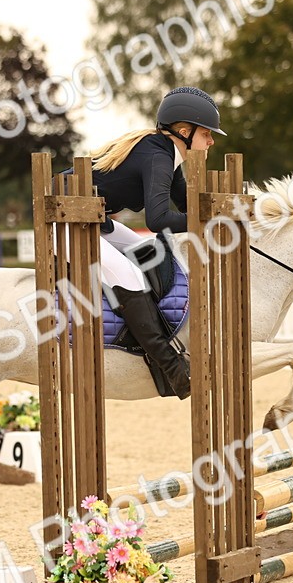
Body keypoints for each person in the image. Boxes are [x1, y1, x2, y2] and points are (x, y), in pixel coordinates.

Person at [82, 86, 224, 399]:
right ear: (185, 132)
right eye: (208, 134)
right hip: (66, 222)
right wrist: (207, 222)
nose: (212, 141)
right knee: (129, 274)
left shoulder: (167, 153)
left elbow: (186, 206)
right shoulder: (158, 155)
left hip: (93, 221)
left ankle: (148, 336)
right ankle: (172, 367)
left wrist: (225, 212)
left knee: (146, 251)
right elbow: (158, 220)